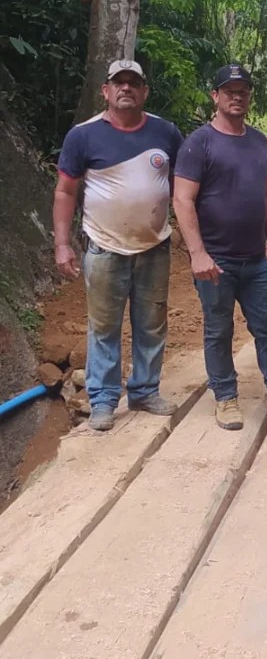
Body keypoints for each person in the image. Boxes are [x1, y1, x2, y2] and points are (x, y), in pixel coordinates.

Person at [173, 64, 267, 431]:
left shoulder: (256, 140)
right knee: (218, 331)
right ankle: (225, 398)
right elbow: (182, 201)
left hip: (255, 261)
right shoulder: (198, 143)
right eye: (229, 90)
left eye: (243, 90)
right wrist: (197, 253)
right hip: (215, 261)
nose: (237, 96)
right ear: (215, 96)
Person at [53, 59, 183, 432]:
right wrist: (62, 244)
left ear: (144, 91)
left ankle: (144, 390)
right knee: (104, 326)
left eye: (134, 83)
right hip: (105, 247)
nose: (126, 88)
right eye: (118, 83)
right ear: (105, 91)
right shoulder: (83, 135)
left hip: (154, 247)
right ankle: (104, 400)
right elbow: (65, 190)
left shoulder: (166, 132)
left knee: (152, 323)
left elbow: (184, 186)